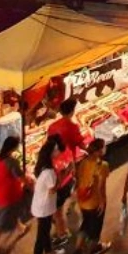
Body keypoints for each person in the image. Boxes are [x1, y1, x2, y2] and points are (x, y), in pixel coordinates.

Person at [46, 98, 86, 243]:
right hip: (68, 164)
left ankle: (66, 209)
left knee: (61, 193)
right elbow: (81, 143)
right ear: (72, 111)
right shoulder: (72, 127)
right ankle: (62, 231)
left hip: (55, 165)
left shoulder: (52, 126)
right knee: (60, 201)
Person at [0, 136, 30, 254]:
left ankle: (21, 227)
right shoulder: (11, 162)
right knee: (1, 221)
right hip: (10, 195)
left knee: (13, 211)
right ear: (14, 147)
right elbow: (21, 178)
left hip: (0, 193)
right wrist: (29, 181)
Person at [30, 135, 66, 254]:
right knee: (42, 235)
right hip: (44, 207)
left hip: (41, 205)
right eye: (56, 150)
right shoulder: (49, 172)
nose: (58, 152)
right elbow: (53, 189)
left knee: (44, 232)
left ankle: (50, 253)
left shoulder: (41, 167)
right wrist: (64, 176)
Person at [74, 138, 112, 254]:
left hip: (82, 199)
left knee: (85, 223)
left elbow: (79, 179)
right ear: (99, 151)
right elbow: (101, 186)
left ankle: (78, 248)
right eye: (103, 147)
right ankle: (95, 248)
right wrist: (102, 202)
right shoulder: (102, 165)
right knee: (96, 226)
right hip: (94, 201)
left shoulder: (83, 162)